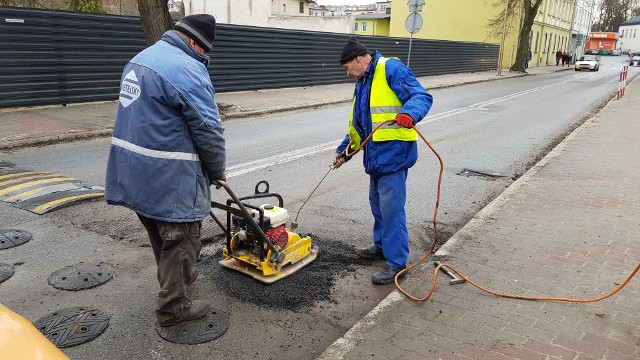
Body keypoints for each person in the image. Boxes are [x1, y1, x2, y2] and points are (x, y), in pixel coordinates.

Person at [105, 14, 226, 327]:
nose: (203, 58)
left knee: (161, 233)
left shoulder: (140, 59)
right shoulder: (186, 68)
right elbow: (209, 130)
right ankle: (172, 307)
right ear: (193, 42)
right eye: (203, 52)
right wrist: (216, 171)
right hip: (167, 176)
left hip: (132, 173)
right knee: (182, 236)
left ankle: (181, 277)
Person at [332, 36, 433, 285]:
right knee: (377, 205)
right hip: (375, 157)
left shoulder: (391, 68)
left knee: (391, 210)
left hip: (394, 156)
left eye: (347, 68)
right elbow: (361, 125)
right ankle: (381, 247)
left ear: (358, 59)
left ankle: (397, 264)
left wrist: (409, 113)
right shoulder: (363, 82)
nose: (347, 74)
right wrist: (344, 151)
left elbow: (421, 96)